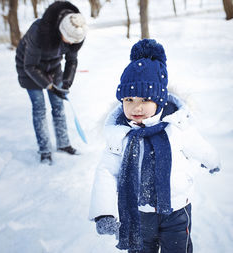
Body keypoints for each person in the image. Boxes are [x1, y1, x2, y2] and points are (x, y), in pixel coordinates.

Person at [89, 39, 221, 253]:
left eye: (145, 99)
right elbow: (105, 171)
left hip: (177, 210)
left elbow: (197, 145)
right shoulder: (120, 135)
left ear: (159, 100)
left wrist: (212, 160)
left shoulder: (177, 125)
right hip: (138, 213)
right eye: (129, 99)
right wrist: (104, 212)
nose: (136, 107)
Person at [15, 1, 88, 164]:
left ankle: (63, 144)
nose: (70, 44)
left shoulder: (77, 30)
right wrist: (48, 86)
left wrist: (67, 82)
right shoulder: (38, 32)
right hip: (29, 68)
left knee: (58, 105)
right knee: (39, 108)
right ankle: (45, 150)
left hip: (53, 68)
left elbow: (72, 60)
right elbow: (30, 66)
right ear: (59, 31)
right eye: (68, 40)